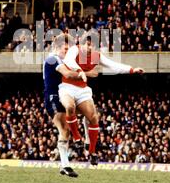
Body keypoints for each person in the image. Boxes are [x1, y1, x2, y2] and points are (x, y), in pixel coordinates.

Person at [59, 32, 144, 165]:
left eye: (93, 45)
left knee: (93, 118)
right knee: (70, 107)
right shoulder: (74, 50)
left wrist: (132, 70)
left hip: (82, 90)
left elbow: (113, 65)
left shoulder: (96, 56)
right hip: (67, 87)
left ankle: (92, 152)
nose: (90, 48)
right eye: (88, 44)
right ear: (81, 44)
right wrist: (80, 71)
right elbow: (68, 61)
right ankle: (77, 139)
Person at [43, 33, 97, 177]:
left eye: (69, 49)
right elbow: (67, 74)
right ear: (56, 47)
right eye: (65, 49)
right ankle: (65, 165)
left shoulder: (68, 60)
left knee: (90, 112)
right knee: (64, 129)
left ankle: (86, 140)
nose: (67, 52)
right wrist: (84, 73)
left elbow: (92, 71)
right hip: (54, 98)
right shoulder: (52, 59)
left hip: (66, 95)